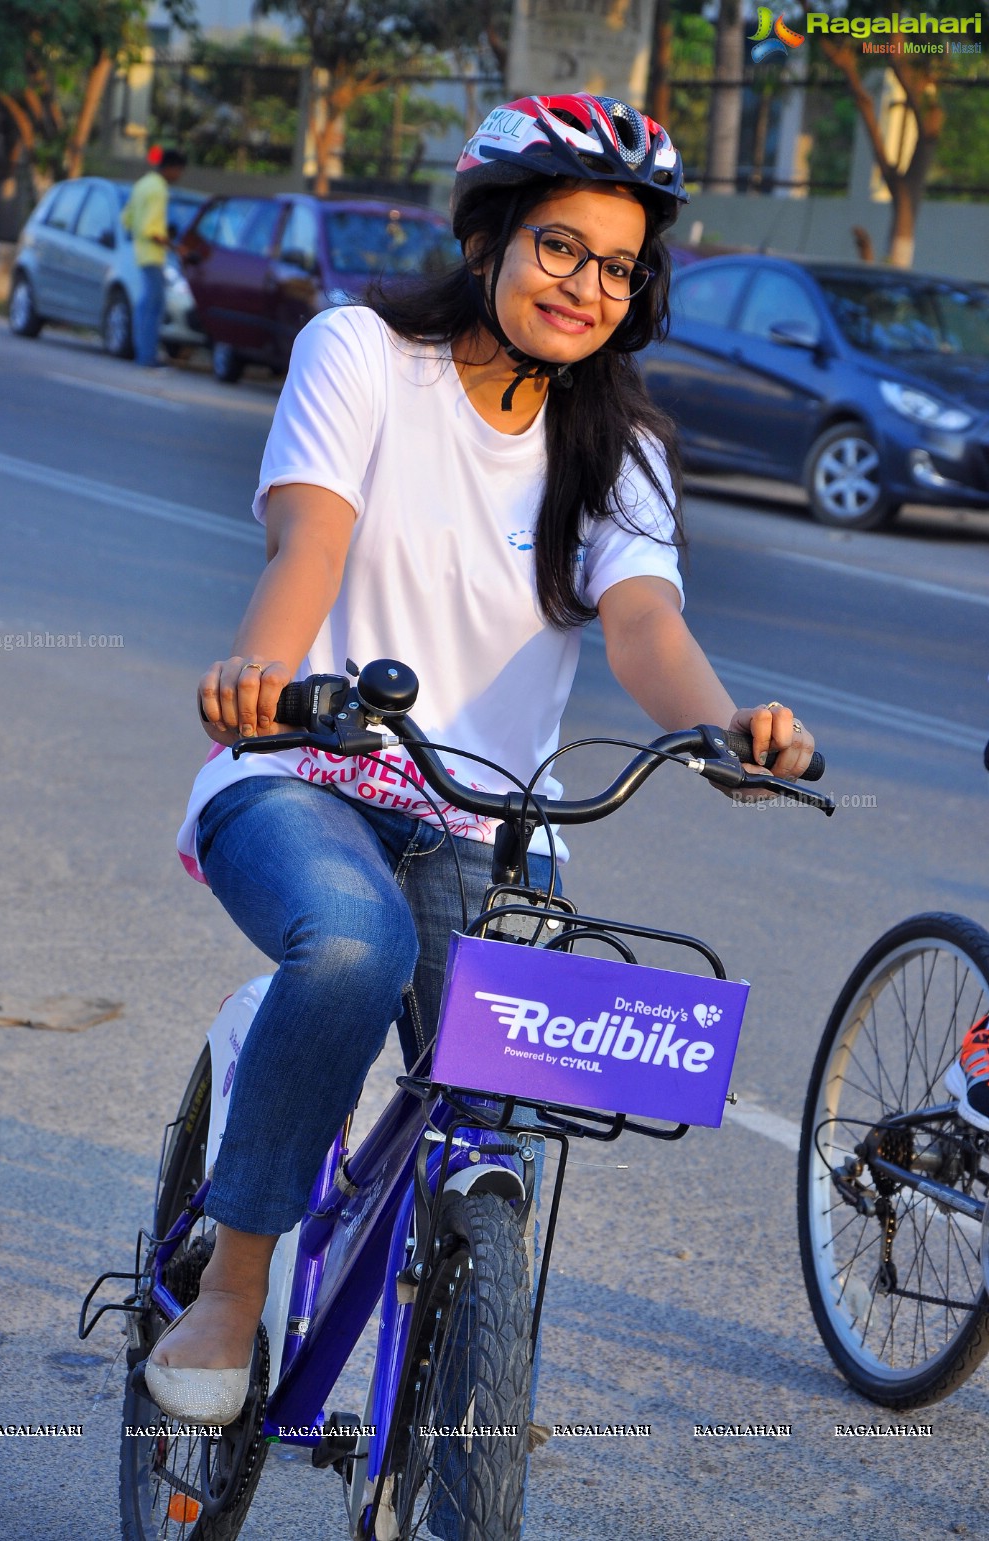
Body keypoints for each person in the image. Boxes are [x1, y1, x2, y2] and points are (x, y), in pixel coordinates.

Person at [145, 93, 816, 1425]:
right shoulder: (360, 354)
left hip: (492, 828)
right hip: (303, 775)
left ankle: (447, 1407)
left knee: (495, 1130)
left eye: (616, 267)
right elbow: (311, 542)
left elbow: (640, 621)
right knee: (352, 948)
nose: (584, 285)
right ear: (493, 237)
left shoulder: (620, 448)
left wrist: (727, 722)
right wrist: (266, 679)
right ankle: (231, 1286)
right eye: (558, 247)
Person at [121, 147, 186, 368]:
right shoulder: (158, 190)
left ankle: (141, 351)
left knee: (145, 304)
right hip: (153, 255)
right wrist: (175, 247)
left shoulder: (142, 184)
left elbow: (127, 219)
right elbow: (153, 230)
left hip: (141, 253)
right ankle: (147, 356)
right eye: (179, 171)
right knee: (153, 306)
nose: (178, 176)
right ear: (171, 168)